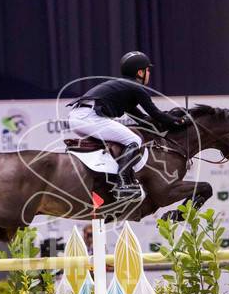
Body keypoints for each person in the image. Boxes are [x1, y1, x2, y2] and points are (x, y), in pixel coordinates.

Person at [67, 51, 185, 198]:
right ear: (140, 72)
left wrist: (162, 125)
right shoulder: (136, 88)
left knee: (124, 139)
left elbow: (142, 119)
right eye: (148, 70)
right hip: (89, 118)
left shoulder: (124, 87)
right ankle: (122, 182)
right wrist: (179, 121)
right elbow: (155, 114)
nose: (149, 73)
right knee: (134, 140)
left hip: (78, 116)